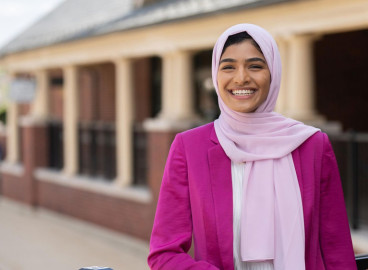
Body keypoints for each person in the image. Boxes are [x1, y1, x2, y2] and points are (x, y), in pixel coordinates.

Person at [147, 23, 356, 270]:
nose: (241, 78)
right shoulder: (190, 147)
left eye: (255, 66)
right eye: (228, 67)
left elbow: (336, 250)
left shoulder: (312, 145)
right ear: (216, 75)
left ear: (274, 73)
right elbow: (164, 253)